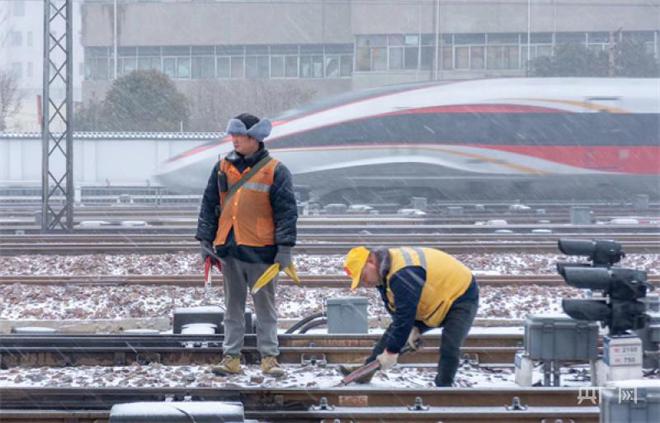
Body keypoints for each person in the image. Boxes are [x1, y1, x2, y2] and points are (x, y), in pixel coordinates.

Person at [196, 113, 298, 377]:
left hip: (263, 252)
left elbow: (287, 212)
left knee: (265, 309)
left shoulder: (275, 170)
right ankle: (231, 358)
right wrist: (205, 239)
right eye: (233, 135)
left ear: (255, 138)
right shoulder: (221, 168)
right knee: (232, 309)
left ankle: (269, 358)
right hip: (230, 250)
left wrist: (284, 248)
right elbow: (209, 205)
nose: (234, 140)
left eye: (239, 135)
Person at [343, 245, 479, 386]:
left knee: (450, 345)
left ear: (371, 261)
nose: (365, 283)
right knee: (393, 333)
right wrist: (413, 329)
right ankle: (365, 372)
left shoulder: (403, 274)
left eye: (363, 277)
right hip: (434, 298)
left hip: (461, 295)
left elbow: (405, 317)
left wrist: (391, 352)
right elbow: (397, 314)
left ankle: (443, 388)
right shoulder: (384, 273)